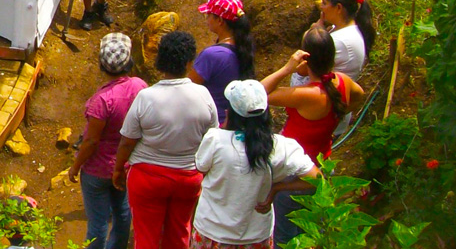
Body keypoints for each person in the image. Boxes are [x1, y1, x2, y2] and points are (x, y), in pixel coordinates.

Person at [262, 27, 365, 247]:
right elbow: (360, 96)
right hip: (323, 164)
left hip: (296, 175)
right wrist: (338, 114)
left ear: (305, 58)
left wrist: (287, 69)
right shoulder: (342, 82)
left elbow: (258, 94)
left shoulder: (307, 95)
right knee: (314, 235)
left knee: (285, 239)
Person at [114, 31, 218, 249]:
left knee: (146, 238)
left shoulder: (146, 97)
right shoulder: (204, 96)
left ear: (160, 60)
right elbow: (212, 139)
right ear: (190, 62)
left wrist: (118, 169)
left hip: (148, 177)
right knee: (180, 233)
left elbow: (127, 141)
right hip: (188, 178)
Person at [191, 80, 320, 249]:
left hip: (212, 231)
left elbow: (201, 170)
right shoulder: (281, 146)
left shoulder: (215, 140)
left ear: (231, 112)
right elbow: (317, 178)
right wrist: (276, 188)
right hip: (255, 237)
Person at [68, 33, 147, 249]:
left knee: (98, 222)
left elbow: (91, 141)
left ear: (102, 66)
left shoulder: (102, 100)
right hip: (125, 164)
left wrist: (75, 167)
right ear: (128, 62)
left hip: (97, 169)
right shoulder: (140, 86)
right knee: (122, 214)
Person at [189, 0, 256, 123]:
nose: (206, 19)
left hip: (214, 124)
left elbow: (187, 89)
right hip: (238, 121)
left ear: (219, 20)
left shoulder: (212, 55)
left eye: (208, 15)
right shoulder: (244, 48)